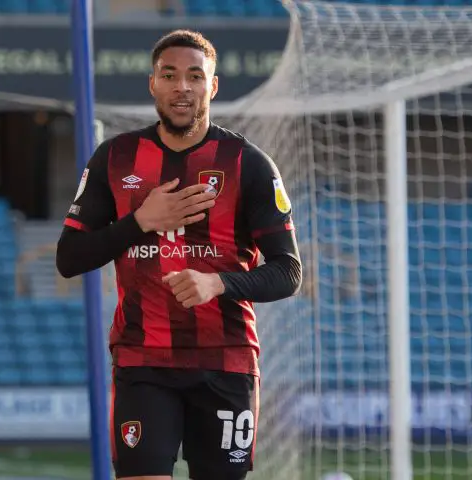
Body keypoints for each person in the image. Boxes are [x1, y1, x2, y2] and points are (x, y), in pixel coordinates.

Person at [56, 29, 302, 480]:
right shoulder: (114, 158)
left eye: (194, 75)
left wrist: (220, 283)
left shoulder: (249, 164)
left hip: (226, 361)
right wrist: (139, 223)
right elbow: (69, 258)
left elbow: (288, 272)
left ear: (212, 85)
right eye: (169, 75)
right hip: (142, 360)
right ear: (153, 83)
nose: (181, 87)